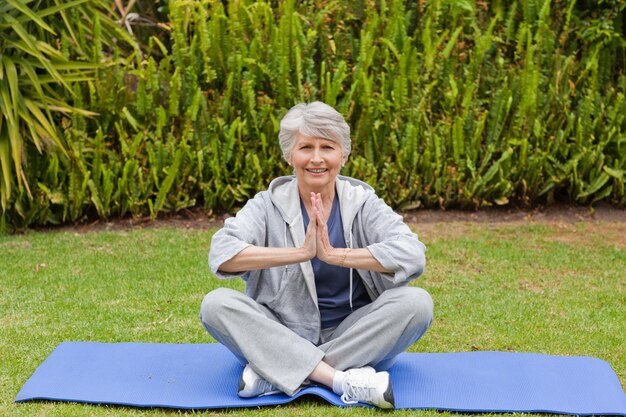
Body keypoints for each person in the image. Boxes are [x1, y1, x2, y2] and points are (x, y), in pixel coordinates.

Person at [200, 101, 433, 409]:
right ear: (289, 155)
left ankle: (277, 371)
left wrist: (337, 255)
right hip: (281, 329)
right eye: (305, 147)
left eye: (328, 147)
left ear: (344, 155)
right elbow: (222, 252)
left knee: (417, 304)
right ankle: (342, 380)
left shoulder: (363, 203)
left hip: (354, 333)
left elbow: (412, 254)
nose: (317, 158)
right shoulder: (266, 204)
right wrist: (299, 253)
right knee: (216, 304)